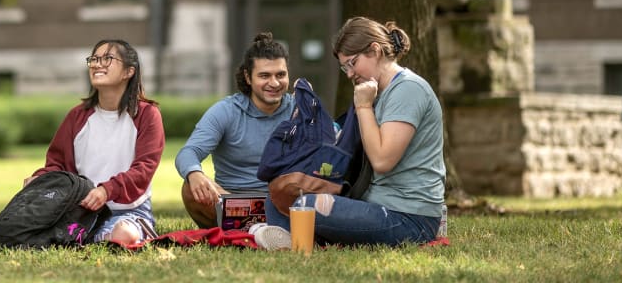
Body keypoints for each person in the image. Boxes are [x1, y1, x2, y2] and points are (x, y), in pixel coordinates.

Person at [262, 17, 446, 247]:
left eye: (352, 63)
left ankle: (293, 238)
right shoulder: (375, 91)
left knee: (305, 207)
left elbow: (382, 160)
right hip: (372, 205)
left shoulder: (408, 90)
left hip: (408, 218)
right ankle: (293, 237)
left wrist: (363, 106)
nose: (349, 74)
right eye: (344, 67)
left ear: (375, 50)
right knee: (281, 195)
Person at [26, 39, 165, 247]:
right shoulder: (77, 116)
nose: (97, 64)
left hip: (128, 211)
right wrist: (39, 178)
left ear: (129, 71)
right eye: (94, 59)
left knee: (125, 234)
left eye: (108, 58)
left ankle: (83, 239)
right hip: (80, 212)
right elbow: (57, 164)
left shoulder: (147, 115)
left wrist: (106, 190)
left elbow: (144, 169)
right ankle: (84, 237)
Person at [175, 32, 293, 228]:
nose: (274, 83)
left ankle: (256, 229)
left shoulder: (300, 110)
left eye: (280, 75)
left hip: (282, 204)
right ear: (248, 77)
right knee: (190, 188)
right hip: (232, 204)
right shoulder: (225, 111)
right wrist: (195, 174)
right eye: (264, 75)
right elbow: (188, 152)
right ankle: (255, 228)